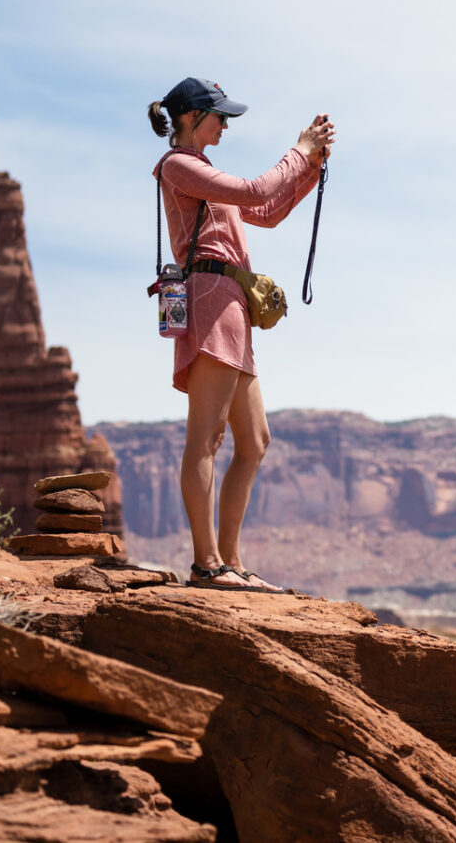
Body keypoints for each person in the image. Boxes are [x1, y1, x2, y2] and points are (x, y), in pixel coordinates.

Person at [146, 77, 335, 591]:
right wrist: (297, 150)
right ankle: (207, 565)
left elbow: (266, 211)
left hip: (232, 304)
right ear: (189, 118)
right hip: (212, 299)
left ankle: (229, 560)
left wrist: (311, 164)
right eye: (219, 115)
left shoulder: (205, 174)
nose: (225, 124)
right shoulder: (180, 166)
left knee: (253, 441)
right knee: (205, 439)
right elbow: (255, 190)